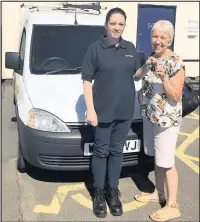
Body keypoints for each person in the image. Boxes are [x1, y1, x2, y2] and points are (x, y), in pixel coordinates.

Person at [82, 7, 140, 218]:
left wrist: (151, 65)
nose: (117, 27)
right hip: (102, 111)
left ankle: (112, 192)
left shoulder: (130, 47)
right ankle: (98, 192)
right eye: (113, 23)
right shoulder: (95, 48)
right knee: (101, 151)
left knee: (117, 152)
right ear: (106, 25)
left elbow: (136, 74)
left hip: (124, 111)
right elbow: (87, 81)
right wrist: (90, 109)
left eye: (121, 24)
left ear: (124, 26)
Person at [133, 20, 185, 221]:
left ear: (170, 40)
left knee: (167, 161)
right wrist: (146, 66)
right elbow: (137, 77)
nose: (158, 41)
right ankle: (159, 194)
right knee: (157, 158)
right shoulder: (151, 58)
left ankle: (173, 205)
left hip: (166, 121)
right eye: (155, 36)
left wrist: (164, 78)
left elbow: (175, 96)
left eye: (163, 37)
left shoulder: (176, 63)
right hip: (151, 117)